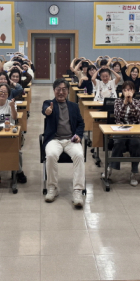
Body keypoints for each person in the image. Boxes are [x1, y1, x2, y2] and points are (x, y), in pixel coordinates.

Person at [42, 79, 85, 208]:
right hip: (54, 140)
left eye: (64, 89)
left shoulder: (74, 106)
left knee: (79, 155)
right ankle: (52, 188)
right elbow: (45, 110)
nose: (61, 92)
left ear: (68, 91)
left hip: (71, 140)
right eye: (58, 89)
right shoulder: (48, 103)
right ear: (54, 90)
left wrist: (79, 135)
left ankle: (77, 191)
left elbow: (81, 123)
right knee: (51, 155)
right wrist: (47, 111)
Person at [0, 83, 27, 188]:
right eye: (1, 91)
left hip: (8, 135)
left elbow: (15, 118)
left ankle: (19, 171)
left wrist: (12, 107)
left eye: (5, 92)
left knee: (17, 152)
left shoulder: (11, 103)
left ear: (8, 94)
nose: (3, 94)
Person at [104, 81, 140, 186]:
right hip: (120, 128)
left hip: (134, 129)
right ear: (122, 91)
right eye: (125, 90)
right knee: (119, 142)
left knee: (135, 144)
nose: (127, 92)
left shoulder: (139, 102)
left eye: (129, 90)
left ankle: (134, 173)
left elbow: (138, 115)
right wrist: (125, 103)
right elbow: (118, 115)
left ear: (134, 91)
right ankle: (110, 169)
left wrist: (131, 102)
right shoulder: (118, 101)